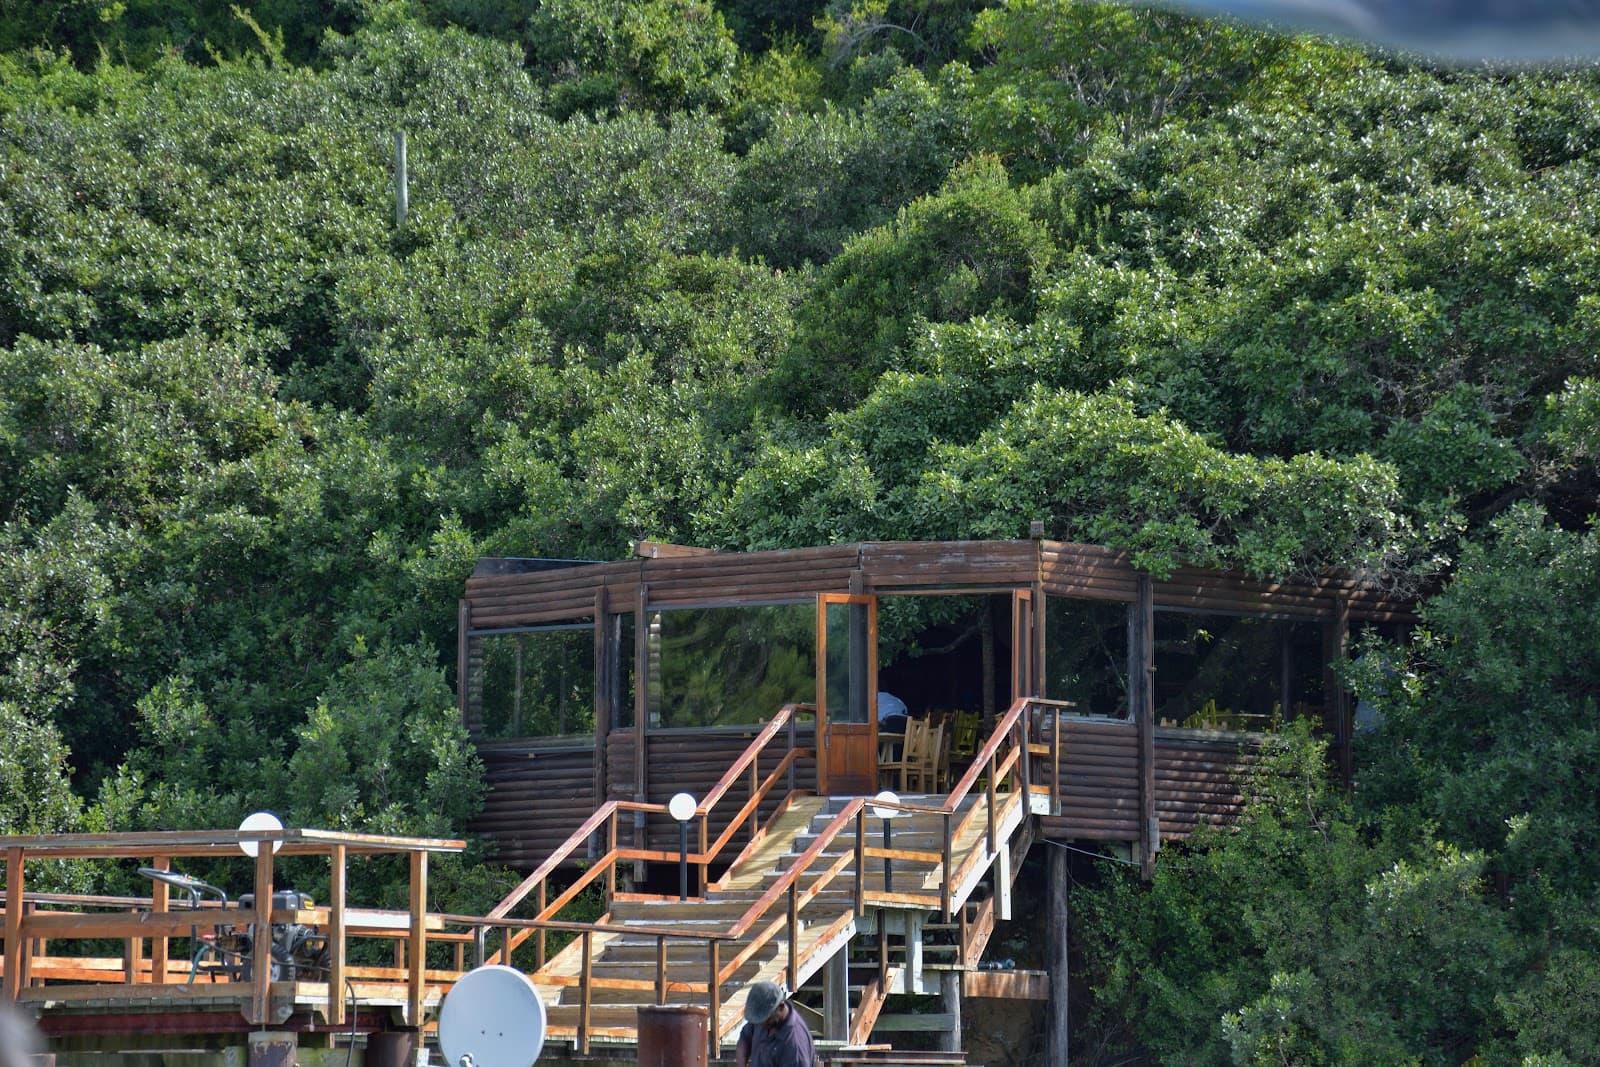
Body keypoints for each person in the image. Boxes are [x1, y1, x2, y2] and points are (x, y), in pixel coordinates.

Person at [735, 980, 814, 1067]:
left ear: (781, 1007)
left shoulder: (795, 1049)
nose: (761, 1025)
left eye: (766, 1019)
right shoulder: (763, 1019)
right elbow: (745, 1037)